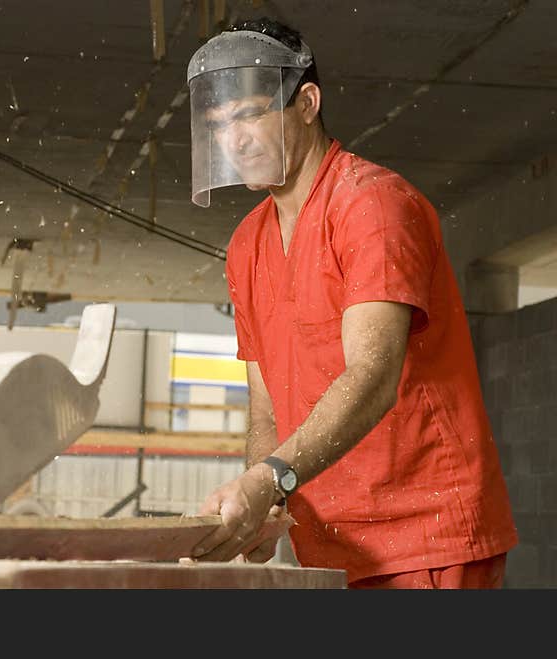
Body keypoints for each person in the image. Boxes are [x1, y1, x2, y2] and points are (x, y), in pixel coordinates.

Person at [185, 17, 518, 588]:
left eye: (250, 114)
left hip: (424, 538)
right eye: (218, 125)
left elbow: (372, 378)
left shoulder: (373, 206)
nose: (233, 139)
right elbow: (266, 408)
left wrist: (268, 481)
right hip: (330, 541)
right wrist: (264, 506)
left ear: (307, 102)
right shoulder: (247, 244)